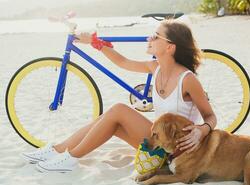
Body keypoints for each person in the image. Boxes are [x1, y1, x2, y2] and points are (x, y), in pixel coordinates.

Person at [22, 20, 217, 172]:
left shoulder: (187, 79)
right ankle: (57, 150)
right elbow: (123, 62)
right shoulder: (155, 67)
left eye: (156, 36)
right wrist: (96, 43)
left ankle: (71, 158)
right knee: (109, 121)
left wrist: (201, 131)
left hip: (177, 151)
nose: (149, 39)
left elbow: (210, 116)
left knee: (119, 110)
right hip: (158, 143)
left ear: (170, 47)